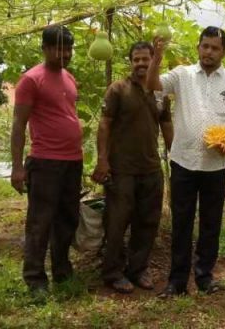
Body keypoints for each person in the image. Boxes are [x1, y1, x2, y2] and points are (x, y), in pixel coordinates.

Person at [147, 26, 225, 297]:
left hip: (217, 165)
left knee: (210, 221)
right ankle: (177, 281)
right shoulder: (182, 76)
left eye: (215, 48)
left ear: (224, 51)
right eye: (205, 46)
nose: (209, 52)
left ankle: (204, 275)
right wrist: (156, 59)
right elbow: (153, 85)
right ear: (198, 47)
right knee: (182, 221)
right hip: (183, 161)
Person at [91, 41, 173, 294]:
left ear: (153, 61)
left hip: (151, 169)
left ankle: (138, 270)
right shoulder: (117, 89)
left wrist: (176, 156)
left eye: (145, 59)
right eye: (136, 60)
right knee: (117, 222)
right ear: (130, 62)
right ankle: (113, 272)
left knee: (147, 222)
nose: (140, 64)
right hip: (121, 170)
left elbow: (167, 127)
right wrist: (103, 160)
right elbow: (104, 124)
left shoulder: (159, 93)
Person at [10, 25, 83, 297]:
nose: (64, 53)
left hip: (72, 160)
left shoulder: (70, 78)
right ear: (44, 48)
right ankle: (35, 279)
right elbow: (18, 124)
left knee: (67, 219)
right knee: (40, 221)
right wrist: (17, 167)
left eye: (68, 48)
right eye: (58, 48)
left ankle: (62, 271)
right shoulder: (31, 79)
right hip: (44, 161)